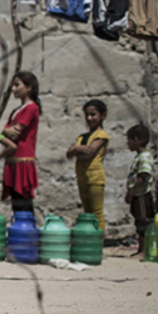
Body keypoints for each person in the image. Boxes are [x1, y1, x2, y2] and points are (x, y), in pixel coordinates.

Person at [67, 99, 110, 234]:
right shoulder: (82, 137)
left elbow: (89, 153)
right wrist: (77, 149)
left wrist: (75, 149)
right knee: (88, 213)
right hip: (82, 178)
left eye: (93, 115)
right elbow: (69, 153)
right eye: (87, 115)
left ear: (102, 115)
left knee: (97, 213)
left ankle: (99, 242)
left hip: (95, 178)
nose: (90, 118)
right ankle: (90, 242)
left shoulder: (101, 136)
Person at [2, 71, 41, 213]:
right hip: (13, 159)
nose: (13, 89)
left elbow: (13, 133)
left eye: (17, 85)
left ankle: (26, 231)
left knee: (23, 201)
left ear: (29, 87)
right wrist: (5, 132)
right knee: (15, 201)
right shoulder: (16, 111)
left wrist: (6, 131)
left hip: (23, 160)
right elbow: (5, 132)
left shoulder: (32, 108)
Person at [124, 124, 155, 256]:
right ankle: (142, 249)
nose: (127, 143)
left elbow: (143, 177)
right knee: (139, 220)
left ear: (136, 140)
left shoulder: (144, 157)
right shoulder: (140, 156)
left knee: (143, 222)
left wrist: (131, 192)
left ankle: (144, 250)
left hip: (141, 194)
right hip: (138, 194)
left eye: (129, 140)